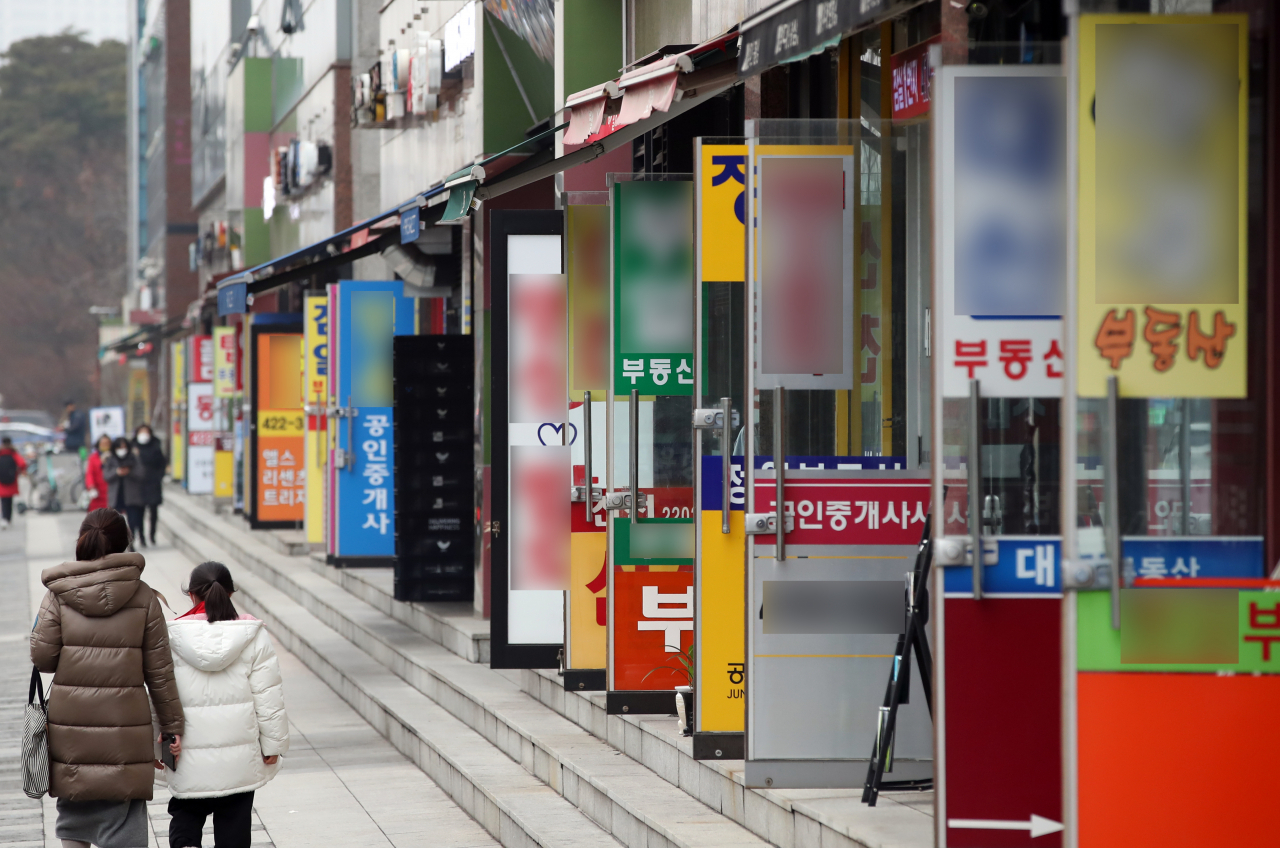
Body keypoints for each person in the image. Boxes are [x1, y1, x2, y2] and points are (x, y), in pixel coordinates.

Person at [30, 508, 184, 848]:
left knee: (74, 811)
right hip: (124, 731)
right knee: (123, 811)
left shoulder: (58, 594)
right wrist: (172, 728)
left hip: (71, 729)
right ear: (124, 543)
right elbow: (160, 672)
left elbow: (43, 657)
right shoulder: (144, 597)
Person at [164, 562, 288, 848]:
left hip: (186, 754)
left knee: (186, 815)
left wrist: (157, 745)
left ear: (192, 596)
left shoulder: (171, 636)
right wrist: (273, 747)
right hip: (239, 757)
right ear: (230, 594)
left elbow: (160, 693)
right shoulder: (252, 634)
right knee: (235, 823)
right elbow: (268, 696)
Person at [103, 437, 146, 548]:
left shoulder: (133, 458)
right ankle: (118, 542)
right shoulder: (111, 459)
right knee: (115, 521)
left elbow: (141, 474)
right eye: (119, 447)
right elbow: (106, 475)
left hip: (131, 495)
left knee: (132, 520)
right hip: (116, 495)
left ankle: (131, 541)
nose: (122, 450)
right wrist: (117, 472)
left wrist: (129, 472)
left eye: (124, 447)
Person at [133, 425, 166, 546]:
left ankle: (152, 534)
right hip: (138, 483)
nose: (143, 434)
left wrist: (160, 476)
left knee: (153, 510)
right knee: (139, 511)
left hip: (153, 482)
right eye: (141, 431)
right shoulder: (133, 446)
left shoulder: (155, 446)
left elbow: (162, 463)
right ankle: (141, 536)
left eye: (146, 432)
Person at [0, 436, 27, 529]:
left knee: (4, 501)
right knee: (10, 500)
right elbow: (22, 464)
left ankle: (4, 518)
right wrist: (19, 471)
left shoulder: (1, 453)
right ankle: (8, 519)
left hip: (1, 482)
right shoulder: (13, 453)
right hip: (12, 481)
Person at [84, 435, 111, 512]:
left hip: (110, 492)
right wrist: (91, 486)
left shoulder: (113, 457)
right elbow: (89, 474)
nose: (105, 446)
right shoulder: (93, 458)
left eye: (107, 443)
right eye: (102, 443)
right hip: (97, 492)